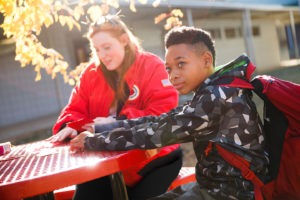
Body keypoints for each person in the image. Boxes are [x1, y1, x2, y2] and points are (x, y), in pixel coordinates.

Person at [70, 26, 270, 200]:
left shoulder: (217, 97)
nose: (173, 75)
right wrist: (103, 128)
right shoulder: (213, 91)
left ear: (206, 60)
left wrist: (92, 141)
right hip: (215, 186)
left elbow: (156, 133)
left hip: (233, 194)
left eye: (181, 64)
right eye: (168, 68)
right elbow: (161, 120)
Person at [50, 14, 183, 200]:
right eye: (97, 50)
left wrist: (109, 124)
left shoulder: (152, 66)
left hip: (154, 159)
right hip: (102, 160)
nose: (102, 55)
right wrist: (72, 125)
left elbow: (161, 116)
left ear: (124, 40)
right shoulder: (91, 74)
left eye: (107, 47)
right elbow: (72, 111)